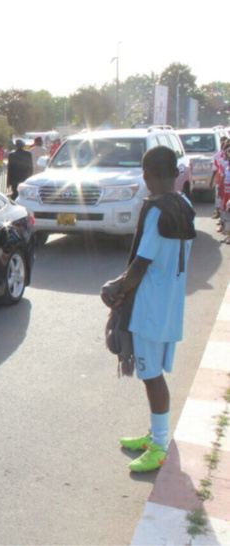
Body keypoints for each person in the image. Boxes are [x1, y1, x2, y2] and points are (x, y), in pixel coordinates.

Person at [101, 146, 195, 473]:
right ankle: (156, 434)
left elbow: (141, 264)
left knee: (151, 376)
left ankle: (158, 445)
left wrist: (115, 290)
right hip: (170, 303)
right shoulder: (183, 204)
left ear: (147, 174)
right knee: (151, 374)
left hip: (150, 309)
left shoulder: (157, 210)